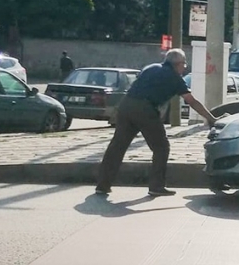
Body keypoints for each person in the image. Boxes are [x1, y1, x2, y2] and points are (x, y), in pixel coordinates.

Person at [95, 48, 222, 197]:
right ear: (178, 64)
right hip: (145, 109)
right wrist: (211, 118)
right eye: (184, 65)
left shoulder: (151, 67)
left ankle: (102, 185)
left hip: (126, 105)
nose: (184, 68)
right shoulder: (175, 77)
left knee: (117, 146)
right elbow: (191, 101)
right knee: (161, 147)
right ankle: (156, 186)